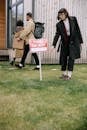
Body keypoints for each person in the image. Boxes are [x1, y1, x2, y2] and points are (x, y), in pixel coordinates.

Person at [52, 8, 83, 80]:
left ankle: (69, 75)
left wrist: (80, 42)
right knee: (63, 58)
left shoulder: (73, 19)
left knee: (71, 58)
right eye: (60, 15)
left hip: (73, 41)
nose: (61, 16)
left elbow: (77, 30)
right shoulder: (59, 24)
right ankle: (64, 74)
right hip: (64, 43)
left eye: (62, 14)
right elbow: (57, 35)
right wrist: (53, 45)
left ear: (66, 14)